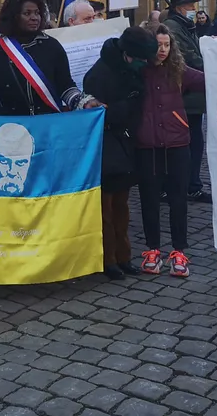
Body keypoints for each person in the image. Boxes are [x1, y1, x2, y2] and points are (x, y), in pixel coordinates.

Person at [84, 27, 159, 280]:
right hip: (105, 145)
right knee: (105, 208)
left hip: (125, 142)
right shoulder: (99, 75)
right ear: (128, 54)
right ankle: (108, 259)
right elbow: (98, 114)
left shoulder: (131, 68)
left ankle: (123, 255)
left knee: (122, 206)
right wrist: (127, 106)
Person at [135, 23, 206, 279]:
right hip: (147, 144)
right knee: (149, 199)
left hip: (177, 142)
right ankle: (152, 250)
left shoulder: (178, 70)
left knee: (178, 199)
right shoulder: (138, 70)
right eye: (158, 45)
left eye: (167, 45)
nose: (163, 50)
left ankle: (179, 252)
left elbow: (207, 80)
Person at [0, 0, 100, 116]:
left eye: (37, 13)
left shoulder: (52, 46)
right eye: (27, 13)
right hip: (11, 123)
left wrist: (84, 102)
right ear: (13, 17)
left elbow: (66, 87)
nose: (34, 17)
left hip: (48, 121)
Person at [161, 0, 210, 203]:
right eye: (190, 5)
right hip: (185, 95)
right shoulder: (173, 27)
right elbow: (187, 58)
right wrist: (212, 65)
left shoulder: (186, 26)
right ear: (180, 7)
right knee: (187, 144)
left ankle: (190, 184)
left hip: (192, 96)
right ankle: (184, 185)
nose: (193, 9)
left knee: (194, 143)